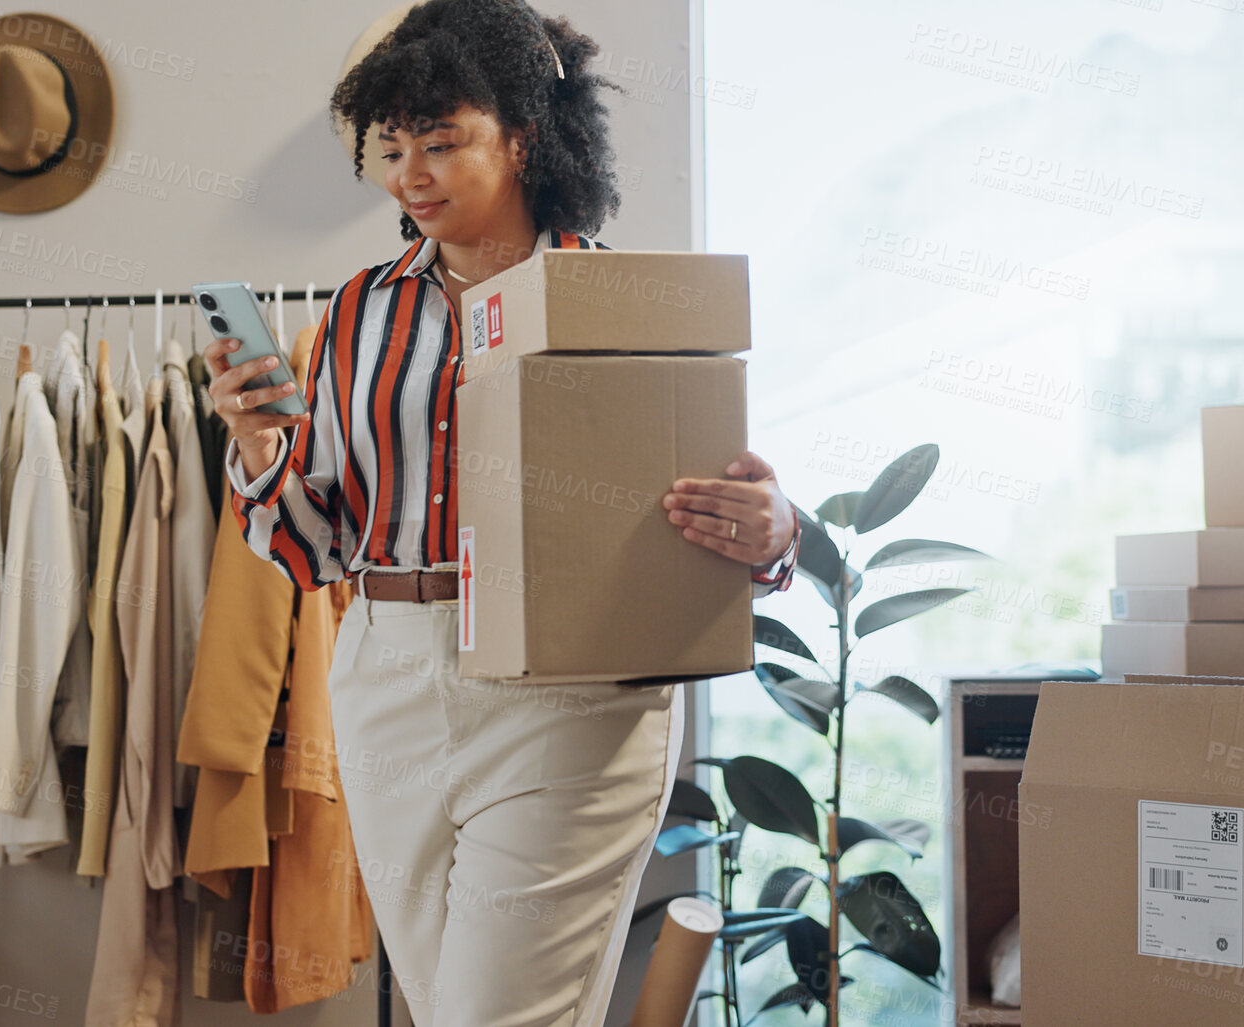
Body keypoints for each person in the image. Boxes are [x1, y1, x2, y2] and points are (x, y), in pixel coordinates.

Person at [204, 1, 800, 1022]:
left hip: (572, 692)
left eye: (441, 143)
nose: (410, 177)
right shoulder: (357, 312)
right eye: (392, 149)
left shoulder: (626, 303)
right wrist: (260, 444)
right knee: (449, 1009)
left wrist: (774, 525)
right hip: (386, 673)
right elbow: (317, 551)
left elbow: (726, 500)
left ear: (524, 135)